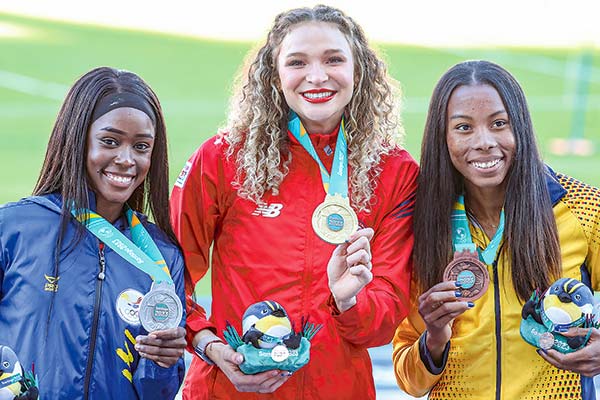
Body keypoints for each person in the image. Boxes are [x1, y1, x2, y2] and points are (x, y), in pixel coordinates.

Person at [170, 5, 418, 399]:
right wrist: (211, 348)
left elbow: (383, 320)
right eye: (297, 62)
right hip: (228, 389)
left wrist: (348, 299)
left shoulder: (395, 172)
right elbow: (169, 275)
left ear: (360, 70)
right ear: (274, 75)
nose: (316, 77)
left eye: (334, 59)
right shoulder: (223, 159)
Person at [392, 60, 600, 399]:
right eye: (463, 127)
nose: (484, 141)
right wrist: (433, 338)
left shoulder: (582, 208)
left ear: (520, 127)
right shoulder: (422, 224)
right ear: (441, 137)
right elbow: (411, 382)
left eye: (499, 123)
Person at [0, 67, 187, 399]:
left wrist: (162, 364)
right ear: (78, 140)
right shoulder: (15, 229)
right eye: (110, 142)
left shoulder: (160, 256)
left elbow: (157, 392)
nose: (126, 159)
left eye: (141, 147)